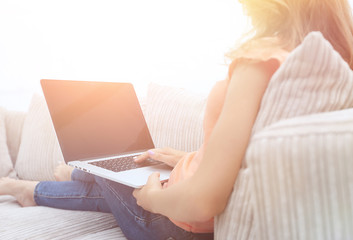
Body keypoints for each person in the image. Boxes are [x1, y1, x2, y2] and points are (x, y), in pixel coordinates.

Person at [1, 0, 353, 239]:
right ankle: (58, 179)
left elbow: (201, 202)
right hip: (187, 199)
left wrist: (153, 197)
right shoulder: (328, 69)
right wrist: (185, 158)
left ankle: (56, 179)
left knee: (103, 168)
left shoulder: (259, 62)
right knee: (121, 165)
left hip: (170, 219)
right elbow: (253, 159)